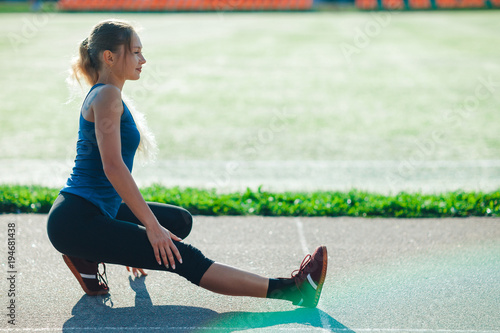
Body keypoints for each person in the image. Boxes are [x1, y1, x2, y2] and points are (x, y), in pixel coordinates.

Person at [46, 19, 327, 308]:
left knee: (179, 221)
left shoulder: (106, 93)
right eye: (135, 52)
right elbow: (113, 166)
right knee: (183, 256)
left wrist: (130, 241)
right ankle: (293, 290)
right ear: (109, 57)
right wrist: (150, 230)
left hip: (93, 211)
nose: (143, 59)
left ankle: (87, 254)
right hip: (76, 221)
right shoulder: (106, 94)